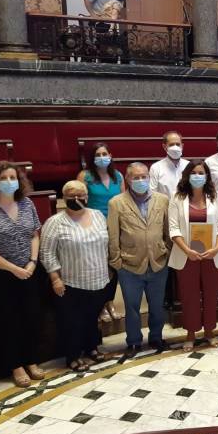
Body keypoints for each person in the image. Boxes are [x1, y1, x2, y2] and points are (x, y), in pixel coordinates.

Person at [0, 161, 45, 387]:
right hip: (0, 276)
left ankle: (32, 360)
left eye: (12, 177)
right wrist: (13, 269)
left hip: (29, 271)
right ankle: (16, 366)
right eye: (3, 178)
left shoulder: (27, 204)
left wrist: (32, 262)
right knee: (8, 321)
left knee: (30, 317)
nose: (8, 182)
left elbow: (35, 235)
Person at [40, 181, 108, 372]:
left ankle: (91, 348)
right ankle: (72, 356)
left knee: (92, 317)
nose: (76, 199)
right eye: (71, 196)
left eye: (80, 195)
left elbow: (104, 244)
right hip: (71, 282)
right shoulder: (55, 222)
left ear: (87, 197)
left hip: (98, 279)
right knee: (72, 321)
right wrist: (55, 278)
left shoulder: (98, 216)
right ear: (64, 198)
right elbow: (46, 252)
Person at [108, 162, 172, 357]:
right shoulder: (116, 202)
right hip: (129, 265)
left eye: (144, 176)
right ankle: (134, 341)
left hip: (158, 262)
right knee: (132, 307)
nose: (140, 180)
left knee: (157, 305)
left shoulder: (162, 200)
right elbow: (113, 234)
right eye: (136, 177)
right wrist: (116, 261)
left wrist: (167, 251)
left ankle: (156, 337)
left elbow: (167, 230)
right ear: (127, 179)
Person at [168, 161, 218, 352]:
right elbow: (173, 228)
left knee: (211, 295)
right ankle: (191, 333)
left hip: (212, 255)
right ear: (187, 175)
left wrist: (216, 248)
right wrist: (187, 250)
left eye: (201, 173)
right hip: (186, 256)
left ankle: (210, 331)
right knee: (189, 297)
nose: (197, 176)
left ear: (207, 176)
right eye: (193, 172)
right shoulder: (177, 198)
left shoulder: (215, 196)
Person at [78, 141, 125, 322]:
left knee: (113, 264)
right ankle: (99, 306)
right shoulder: (85, 176)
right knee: (98, 266)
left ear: (110, 156)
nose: (102, 158)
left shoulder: (118, 176)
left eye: (104, 154)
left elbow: (123, 200)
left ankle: (110, 302)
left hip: (115, 225)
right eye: (98, 155)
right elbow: (80, 201)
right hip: (94, 225)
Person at [150, 131, 190, 199]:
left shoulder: (188, 165)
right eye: (171, 145)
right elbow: (152, 193)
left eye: (178, 144)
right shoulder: (156, 168)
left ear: (182, 146)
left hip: (185, 207)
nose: (175, 147)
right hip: (164, 208)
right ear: (164, 146)